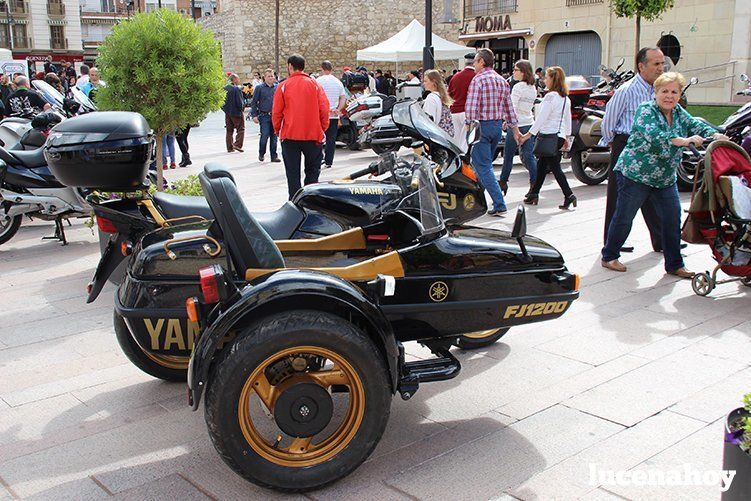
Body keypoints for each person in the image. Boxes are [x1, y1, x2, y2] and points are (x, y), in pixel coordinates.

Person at [601, 72, 725, 277]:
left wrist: (715, 134)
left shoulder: (677, 112)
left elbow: (695, 124)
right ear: (655, 92)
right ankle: (609, 256)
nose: (669, 96)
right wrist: (684, 141)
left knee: (672, 218)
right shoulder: (645, 110)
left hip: (664, 178)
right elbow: (655, 136)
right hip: (636, 174)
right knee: (624, 216)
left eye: (674, 92)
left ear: (679, 95)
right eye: (664, 91)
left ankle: (675, 264)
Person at [601, 47, 666, 253]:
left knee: (652, 195)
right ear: (641, 66)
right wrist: (615, 143)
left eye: (662, 63)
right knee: (619, 196)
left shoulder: (658, 91)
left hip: (651, 148)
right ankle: (612, 243)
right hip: (627, 145)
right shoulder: (626, 90)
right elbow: (608, 121)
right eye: (656, 64)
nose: (660, 68)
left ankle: (661, 241)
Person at [465, 48, 521, 217]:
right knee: (483, 165)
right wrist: (515, 129)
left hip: (481, 125)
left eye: (475, 61)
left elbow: (472, 107)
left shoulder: (478, 80)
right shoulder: (501, 81)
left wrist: (469, 127)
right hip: (496, 126)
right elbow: (509, 108)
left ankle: (499, 202)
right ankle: (481, 197)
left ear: (482, 61)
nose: (473, 65)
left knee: (483, 166)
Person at [272, 54, 329, 199]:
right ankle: (309, 202)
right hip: (312, 135)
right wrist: (322, 128)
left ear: (290, 66)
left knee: (292, 175)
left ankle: (295, 204)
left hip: (290, 136)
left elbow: (277, 112)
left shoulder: (283, 86)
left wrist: (278, 130)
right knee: (312, 173)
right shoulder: (315, 85)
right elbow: (324, 109)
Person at [519, 66, 575, 209]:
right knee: (542, 166)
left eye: (547, 77)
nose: (544, 79)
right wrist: (567, 138)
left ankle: (569, 195)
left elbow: (541, 119)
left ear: (553, 79)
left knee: (555, 168)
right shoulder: (565, 98)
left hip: (548, 136)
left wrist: (528, 135)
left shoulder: (550, 97)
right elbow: (567, 119)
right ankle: (534, 193)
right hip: (559, 136)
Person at [499, 60, 537, 197]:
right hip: (529, 123)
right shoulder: (533, 87)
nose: (513, 72)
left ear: (523, 72)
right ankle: (534, 185)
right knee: (529, 156)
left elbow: (512, 107)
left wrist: (508, 121)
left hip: (517, 124)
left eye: (516, 70)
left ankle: (503, 182)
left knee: (508, 156)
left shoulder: (518, 87)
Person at [317, 60, 346, 169]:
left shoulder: (318, 81)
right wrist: (338, 109)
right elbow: (343, 98)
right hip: (334, 115)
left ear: (322, 68)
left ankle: (319, 158)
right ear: (331, 69)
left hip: (322, 114)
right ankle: (329, 161)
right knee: (331, 139)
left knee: (319, 138)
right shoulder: (338, 82)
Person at [250, 69, 280, 162]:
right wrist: (254, 115)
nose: (271, 78)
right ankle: (261, 153)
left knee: (274, 137)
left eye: (272, 76)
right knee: (264, 135)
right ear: (265, 77)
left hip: (275, 116)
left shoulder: (277, 87)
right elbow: (254, 102)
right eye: (269, 76)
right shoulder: (259, 88)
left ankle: (274, 156)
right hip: (264, 116)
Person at [448, 52, 476, 152]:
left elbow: (449, 94)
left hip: (455, 110)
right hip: (468, 111)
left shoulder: (455, 77)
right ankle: (463, 162)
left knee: (457, 138)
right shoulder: (476, 76)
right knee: (466, 139)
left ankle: (457, 157)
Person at [422, 69, 454, 136]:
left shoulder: (431, 98)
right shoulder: (442, 96)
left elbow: (430, 121)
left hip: (437, 136)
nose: (423, 83)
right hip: (446, 135)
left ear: (433, 82)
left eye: (425, 81)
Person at [222, 73, 245, 153]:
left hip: (228, 112)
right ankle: (237, 144)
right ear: (234, 79)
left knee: (229, 130)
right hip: (236, 112)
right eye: (238, 79)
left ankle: (229, 147)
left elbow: (221, 102)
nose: (238, 80)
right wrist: (241, 109)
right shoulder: (236, 89)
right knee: (241, 129)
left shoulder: (224, 88)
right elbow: (240, 102)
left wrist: (225, 110)